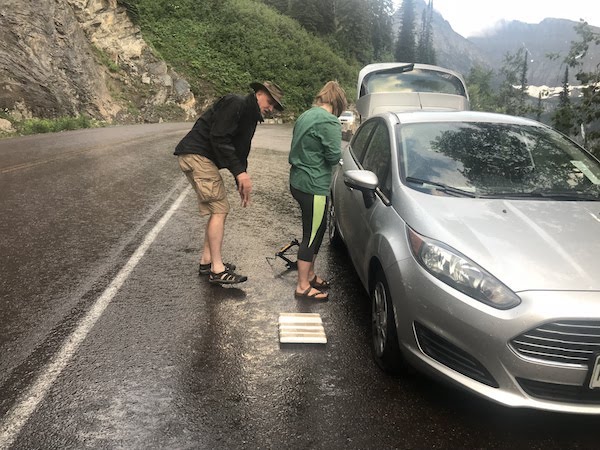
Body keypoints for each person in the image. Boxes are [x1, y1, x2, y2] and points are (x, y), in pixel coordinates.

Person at [175, 81, 284, 285]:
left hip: (199, 156)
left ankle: (207, 262)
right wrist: (240, 174)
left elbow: (240, 152)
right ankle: (217, 270)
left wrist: (240, 178)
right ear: (259, 93)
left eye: (274, 106)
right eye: (269, 102)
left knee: (219, 208)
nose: (270, 108)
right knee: (220, 209)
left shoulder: (250, 116)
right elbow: (219, 138)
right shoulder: (236, 103)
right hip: (197, 154)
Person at [288, 81, 348, 300]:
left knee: (319, 229)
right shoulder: (330, 121)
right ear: (338, 103)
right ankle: (302, 286)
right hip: (313, 185)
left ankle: (310, 275)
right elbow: (333, 156)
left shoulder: (306, 115)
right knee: (311, 236)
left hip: (297, 180)